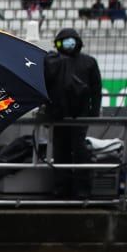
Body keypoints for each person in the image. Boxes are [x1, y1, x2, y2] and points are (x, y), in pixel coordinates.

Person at [44, 27, 103, 199]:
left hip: (80, 115)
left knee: (79, 151)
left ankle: (82, 189)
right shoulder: (52, 62)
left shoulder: (89, 62)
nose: (68, 46)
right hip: (58, 115)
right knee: (60, 151)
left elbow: (96, 89)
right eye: (64, 42)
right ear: (58, 44)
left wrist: (94, 112)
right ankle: (62, 188)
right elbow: (46, 86)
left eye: (72, 42)